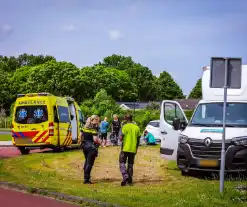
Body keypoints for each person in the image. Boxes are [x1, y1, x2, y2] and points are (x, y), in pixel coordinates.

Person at [119, 114, 141, 186]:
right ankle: (130, 180)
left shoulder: (124, 127)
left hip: (125, 148)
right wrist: (136, 148)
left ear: (126, 119)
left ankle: (125, 176)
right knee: (130, 164)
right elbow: (138, 140)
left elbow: (121, 138)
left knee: (122, 162)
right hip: (133, 149)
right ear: (131, 119)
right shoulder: (137, 128)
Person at [81, 115, 102, 184]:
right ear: (94, 120)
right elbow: (95, 140)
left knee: (86, 161)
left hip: (84, 146)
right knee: (89, 163)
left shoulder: (84, 128)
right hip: (91, 147)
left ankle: (85, 177)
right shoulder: (93, 129)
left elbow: (80, 136)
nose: (97, 122)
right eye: (97, 120)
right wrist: (100, 141)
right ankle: (86, 179)